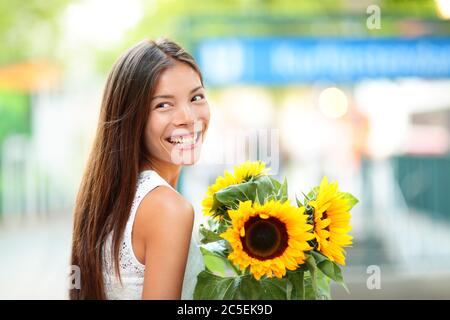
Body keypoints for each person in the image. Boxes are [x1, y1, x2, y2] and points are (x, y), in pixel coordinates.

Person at [69, 38, 210, 299]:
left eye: (196, 97)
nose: (189, 118)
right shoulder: (167, 208)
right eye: (163, 104)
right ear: (133, 117)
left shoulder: (112, 198)